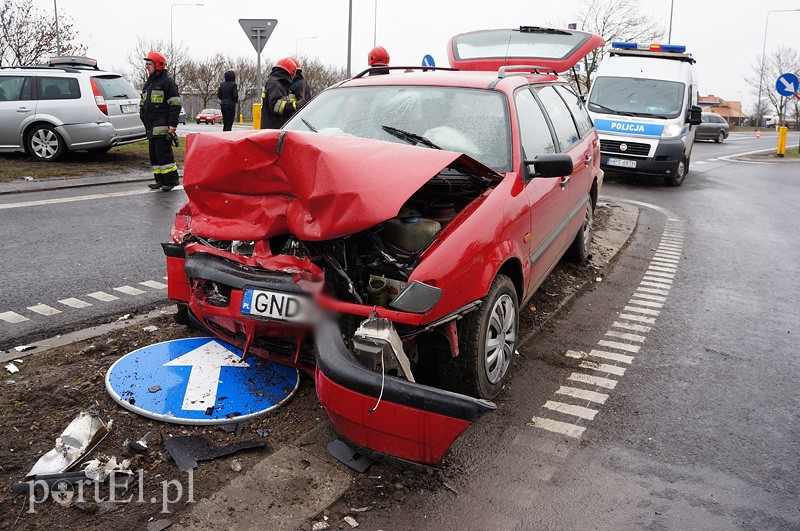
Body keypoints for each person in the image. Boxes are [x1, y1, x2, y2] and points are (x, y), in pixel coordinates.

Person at [140, 51, 181, 191]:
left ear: (158, 65)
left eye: (149, 64)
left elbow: (175, 104)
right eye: (146, 64)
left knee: (164, 155)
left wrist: (172, 125)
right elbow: (143, 102)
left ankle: (171, 181)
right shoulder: (149, 83)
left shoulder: (167, 83)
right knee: (154, 155)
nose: (147, 66)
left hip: (162, 125)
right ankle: (159, 180)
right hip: (151, 126)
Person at [260, 57, 299, 130]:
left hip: (272, 127)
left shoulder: (275, 82)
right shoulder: (275, 84)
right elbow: (276, 106)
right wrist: (294, 106)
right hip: (274, 129)